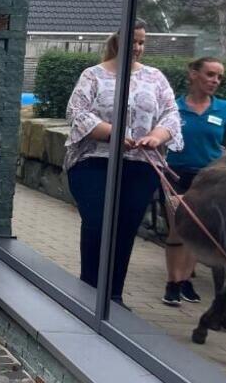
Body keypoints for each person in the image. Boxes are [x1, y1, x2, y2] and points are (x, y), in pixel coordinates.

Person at [64, 19, 183, 306]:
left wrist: (156, 135)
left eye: (142, 42)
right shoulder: (92, 75)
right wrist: (112, 133)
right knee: (97, 222)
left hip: (139, 164)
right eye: (133, 41)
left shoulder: (155, 78)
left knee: (126, 226)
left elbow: (171, 114)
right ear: (117, 41)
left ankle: (113, 295)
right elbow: (76, 112)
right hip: (95, 160)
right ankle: (89, 289)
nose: (138, 47)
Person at [161, 57, 226, 306]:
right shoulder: (173, 107)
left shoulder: (225, 109)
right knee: (178, 228)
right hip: (176, 174)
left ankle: (185, 280)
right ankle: (172, 283)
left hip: (209, 178)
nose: (215, 81)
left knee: (197, 231)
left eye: (219, 77)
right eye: (210, 74)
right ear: (194, 74)